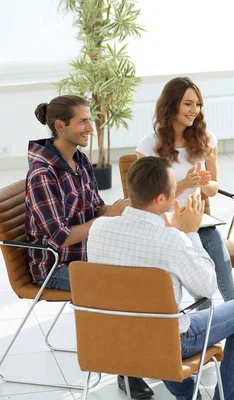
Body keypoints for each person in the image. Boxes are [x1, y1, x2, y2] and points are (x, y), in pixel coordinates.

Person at [87, 156, 234, 400]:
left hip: (113, 338)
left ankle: (188, 397)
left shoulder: (98, 229)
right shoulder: (173, 241)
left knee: (158, 321)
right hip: (165, 344)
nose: (178, 191)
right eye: (174, 189)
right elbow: (206, 289)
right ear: (161, 199)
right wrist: (190, 234)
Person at [24, 95, 153, 399]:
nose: (90, 127)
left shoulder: (79, 159)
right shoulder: (43, 174)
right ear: (60, 125)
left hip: (89, 254)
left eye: (89, 120)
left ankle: (154, 355)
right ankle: (129, 371)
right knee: (121, 288)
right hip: (56, 266)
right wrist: (107, 219)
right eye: (83, 121)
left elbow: (95, 207)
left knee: (149, 270)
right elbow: (61, 237)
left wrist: (121, 210)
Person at [135, 77, 234, 342]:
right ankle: (208, 327)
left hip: (196, 220)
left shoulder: (205, 140)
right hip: (165, 223)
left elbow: (215, 188)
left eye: (198, 104)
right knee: (197, 263)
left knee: (216, 247)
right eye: (188, 104)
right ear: (171, 105)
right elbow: (145, 200)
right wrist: (182, 184)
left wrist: (205, 184)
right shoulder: (148, 145)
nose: (194, 110)